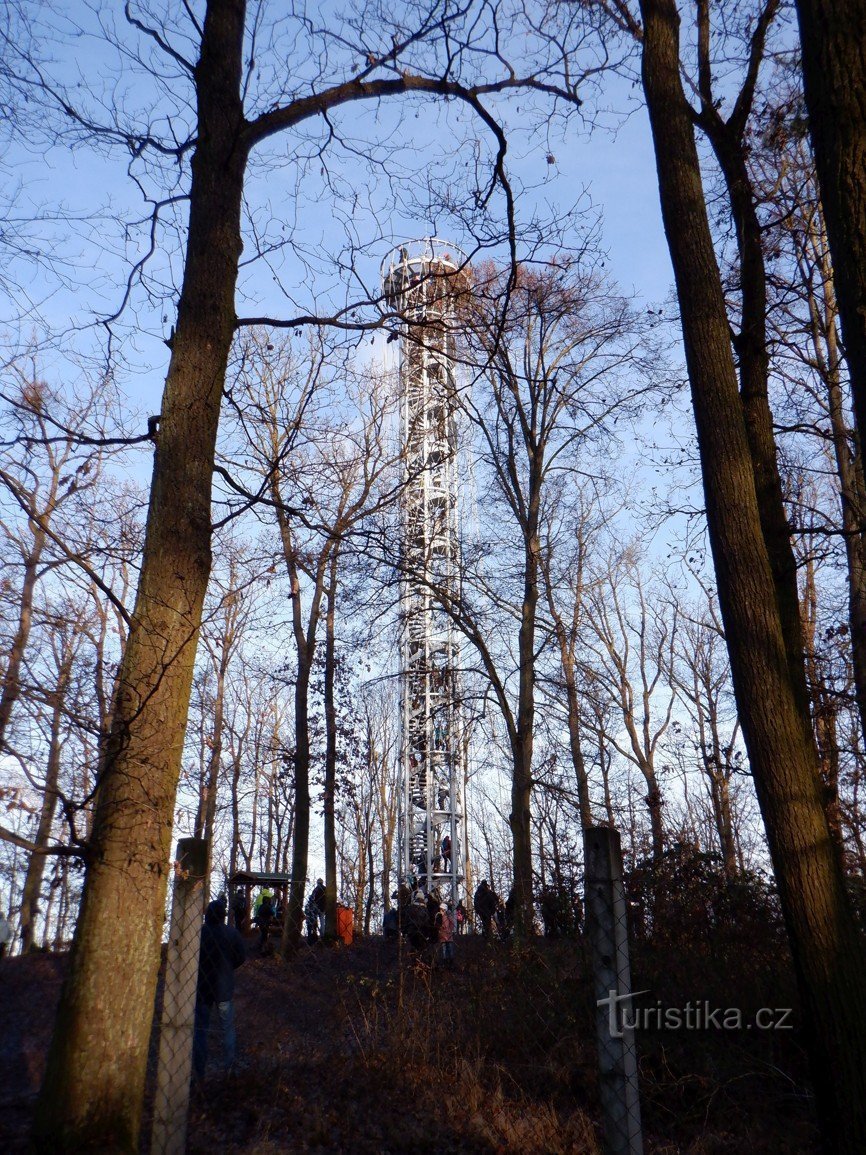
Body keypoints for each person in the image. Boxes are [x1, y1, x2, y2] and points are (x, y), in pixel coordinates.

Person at [193, 899, 246, 1082]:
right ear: (223, 915)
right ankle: (229, 1067)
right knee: (228, 1028)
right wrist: (229, 967)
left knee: (200, 1030)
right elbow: (241, 956)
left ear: (207, 914)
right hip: (224, 988)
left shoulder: (199, 933)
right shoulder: (231, 933)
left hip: (202, 989)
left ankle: (198, 1073)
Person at [434, 902, 455, 967]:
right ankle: (445, 963)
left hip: (448, 935)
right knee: (444, 950)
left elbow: (452, 924)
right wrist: (440, 929)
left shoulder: (447, 916)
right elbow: (436, 924)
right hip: (443, 936)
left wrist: (450, 930)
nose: (441, 911)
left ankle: (450, 963)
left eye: (442, 910)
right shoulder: (438, 916)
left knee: (450, 950)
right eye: (440, 910)